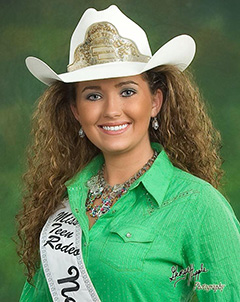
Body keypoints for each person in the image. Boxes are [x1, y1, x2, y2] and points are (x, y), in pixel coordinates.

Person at [17, 4, 240, 302]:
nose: (111, 110)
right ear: (75, 111)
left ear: (155, 102)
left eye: (127, 91)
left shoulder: (198, 206)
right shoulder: (63, 202)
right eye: (93, 95)